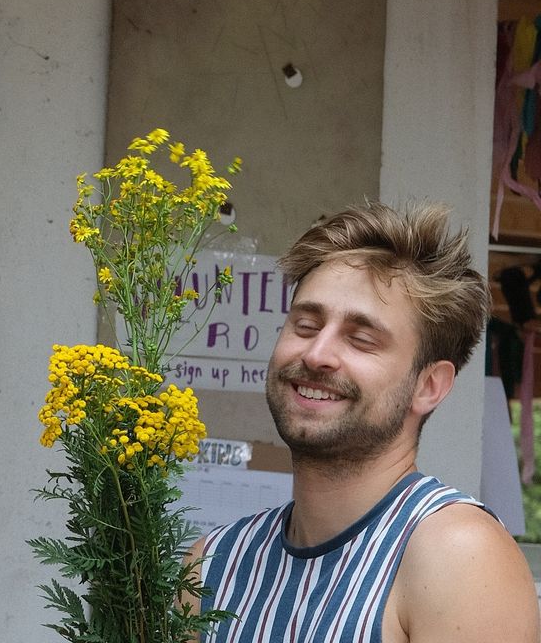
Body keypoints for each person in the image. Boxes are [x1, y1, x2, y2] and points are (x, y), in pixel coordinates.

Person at [186, 202, 540, 642]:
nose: (316, 355)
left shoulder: (457, 556)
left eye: (361, 339)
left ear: (428, 386)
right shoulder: (214, 563)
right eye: (306, 324)